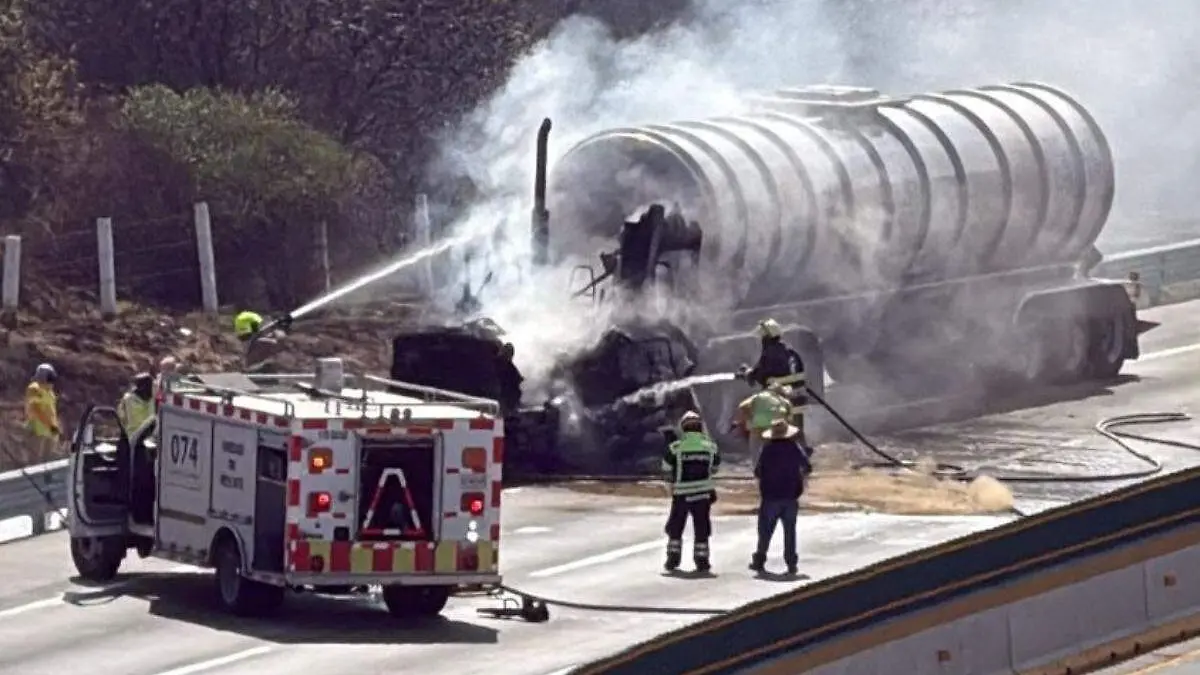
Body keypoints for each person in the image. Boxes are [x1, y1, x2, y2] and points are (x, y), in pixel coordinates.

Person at [750, 418, 813, 575]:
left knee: (765, 531)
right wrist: (798, 477)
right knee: (790, 532)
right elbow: (807, 467)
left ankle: (759, 560)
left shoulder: (767, 449)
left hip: (770, 496)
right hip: (790, 497)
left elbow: (757, 472)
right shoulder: (794, 447)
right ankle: (791, 564)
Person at [662, 411, 721, 573]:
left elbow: (666, 472)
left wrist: (671, 488)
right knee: (702, 527)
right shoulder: (711, 446)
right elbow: (715, 469)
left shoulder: (674, 448)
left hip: (681, 495)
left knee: (676, 528)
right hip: (703, 495)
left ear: (683, 428)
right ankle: (702, 562)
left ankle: (673, 560)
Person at [739, 318, 809, 439]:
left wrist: (747, 373)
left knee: (781, 433)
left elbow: (761, 375)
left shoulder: (769, 354)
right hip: (797, 398)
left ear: (766, 338)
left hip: (780, 400)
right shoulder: (791, 352)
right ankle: (801, 450)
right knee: (796, 431)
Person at [732, 382, 792, 458]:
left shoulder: (758, 396)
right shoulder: (785, 402)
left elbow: (742, 406)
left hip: (757, 429)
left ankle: (758, 468)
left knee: (756, 455)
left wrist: (750, 418)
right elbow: (789, 420)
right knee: (776, 456)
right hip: (775, 431)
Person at [24, 364, 61, 461]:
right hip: (37, 430)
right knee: (34, 462)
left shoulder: (50, 392)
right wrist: (49, 425)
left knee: (47, 462)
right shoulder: (34, 388)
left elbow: (51, 411)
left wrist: (55, 428)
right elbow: (35, 409)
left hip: (49, 431)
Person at [117, 373, 156, 439]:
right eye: (150, 386)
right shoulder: (128, 399)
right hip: (133, 436)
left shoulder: (153, 399)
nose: (152, 388)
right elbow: (121, 418)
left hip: (151, 437)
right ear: (142, 387)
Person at [495, 342, 524, 413]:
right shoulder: (500, 363)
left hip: (507, 396)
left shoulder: (509, 365)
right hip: (503, 395)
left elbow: (517, 378)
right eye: (509, 352)